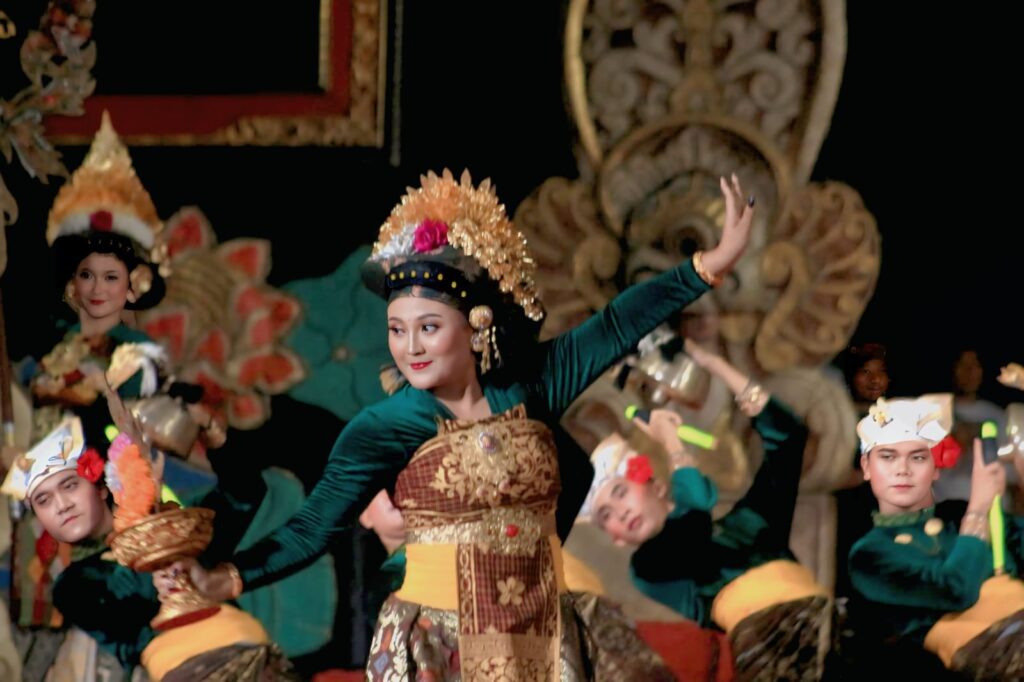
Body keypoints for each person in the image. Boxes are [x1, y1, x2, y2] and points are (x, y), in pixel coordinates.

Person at [179, 169, 754, 680]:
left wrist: (709, 266)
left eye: (428, 327)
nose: (409, 347)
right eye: (397, 330)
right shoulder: (385, 426)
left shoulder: (533, 387)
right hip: (440, 647)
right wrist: (227, 577)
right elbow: (311, 527)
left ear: (476, 325)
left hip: (539, 638)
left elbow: (616, 324)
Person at [580, 340, 830, 681]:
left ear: (657, 486)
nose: (619, 513)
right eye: (606, 515)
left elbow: (788, 437)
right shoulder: (649, 568)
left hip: (827, 630)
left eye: (620, 493)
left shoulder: (750, 522)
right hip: (770, 658)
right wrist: (671, 442)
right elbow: (692, 522)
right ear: (616, 538)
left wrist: (713, 363)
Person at [847, 394, 1024, 679]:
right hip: (991, 659)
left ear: (935, 468)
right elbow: (955, 590)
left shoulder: (956, 513)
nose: (902, 470)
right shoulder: (868, 554)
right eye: (888, 456)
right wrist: (978, 510)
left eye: (917, 457)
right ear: (867, 467)